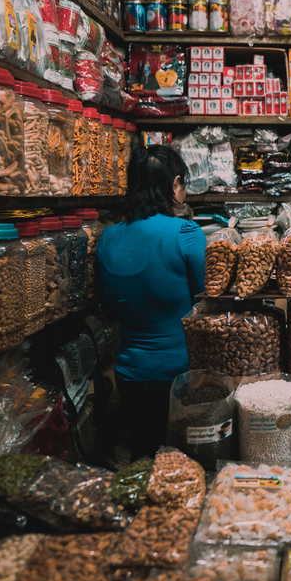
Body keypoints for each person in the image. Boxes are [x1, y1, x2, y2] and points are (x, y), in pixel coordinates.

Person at [97, 144, 206, 460]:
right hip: (180, 376)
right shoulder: (185, 233)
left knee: (143, 459)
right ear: (174, 184)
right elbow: (205, 303)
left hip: (130, 376)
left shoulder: (108, 238)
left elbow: (108, 308)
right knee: (183, 464)